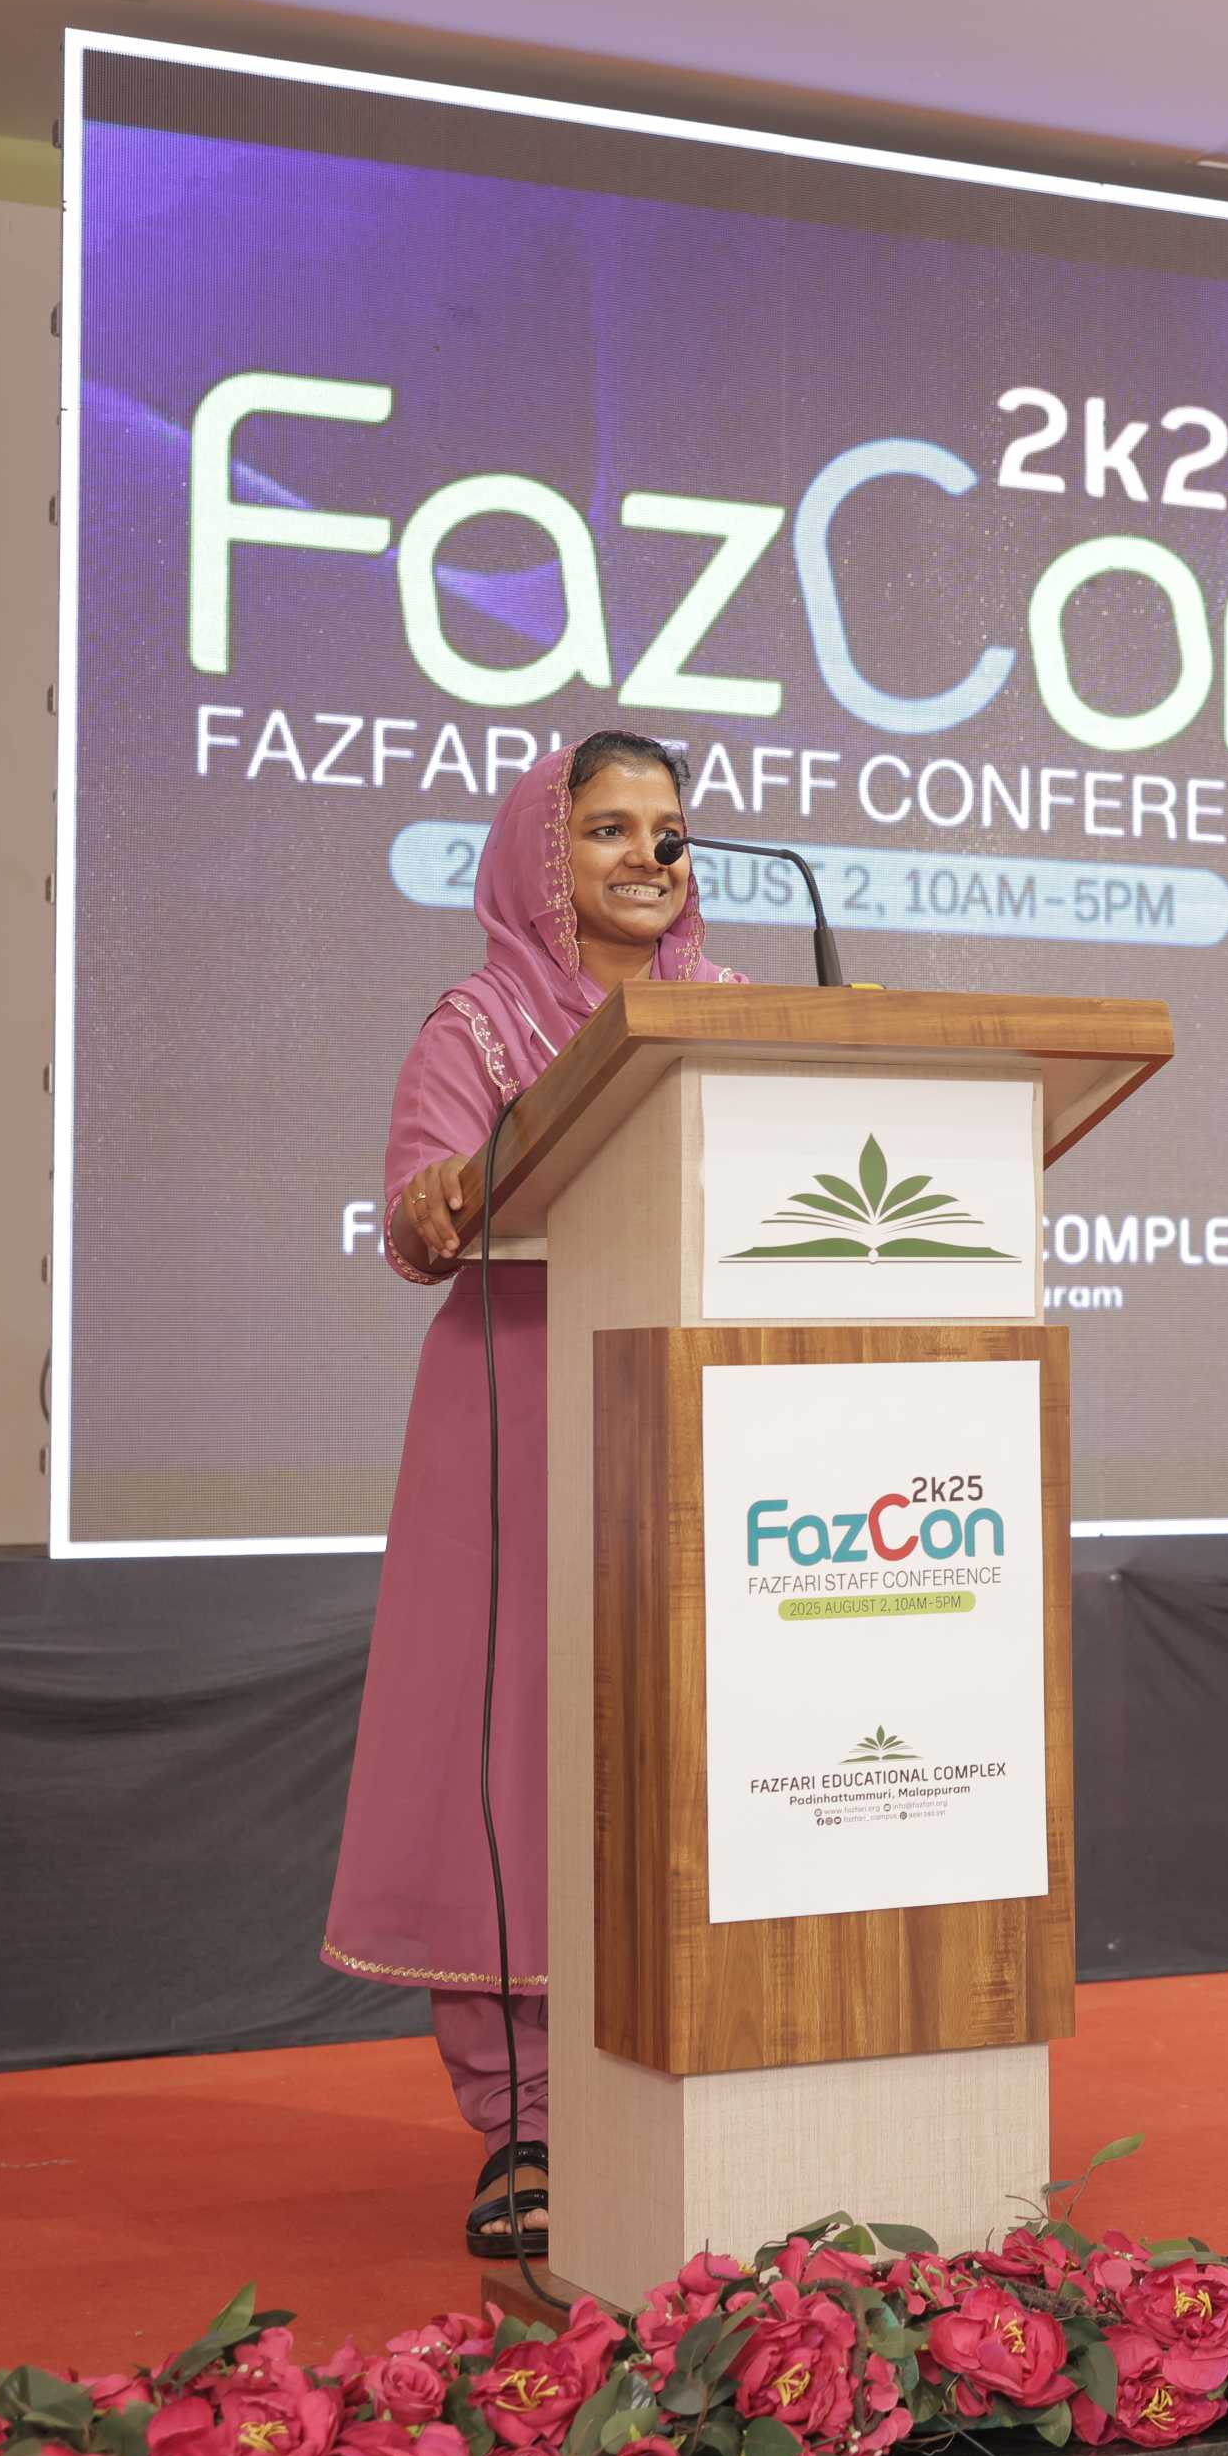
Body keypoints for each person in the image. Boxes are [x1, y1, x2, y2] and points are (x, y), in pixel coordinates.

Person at [322, 731, 742, 2259]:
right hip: (522, 1417)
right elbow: (418, 1219)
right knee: (512, 1751)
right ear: (539, 857)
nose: (648, 855)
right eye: (609, 828)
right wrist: (444, 1192)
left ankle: (713, 2071)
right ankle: (527, 2123)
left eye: (667, 829)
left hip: (700, 1424)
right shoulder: (482, 1024)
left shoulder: (735, 1018)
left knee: (695, 1742)